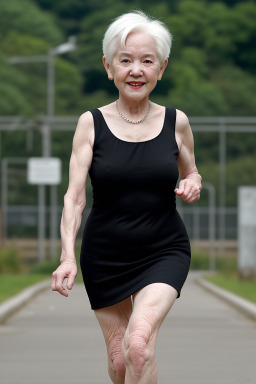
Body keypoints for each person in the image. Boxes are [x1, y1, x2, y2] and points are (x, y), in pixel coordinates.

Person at [51, 10, 202, 384]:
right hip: (105, 254)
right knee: (120, 361)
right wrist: (67, 256)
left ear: (161, 68)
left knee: (139, 344)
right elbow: (74, 198)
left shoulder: (176, 122)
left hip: (163, 249)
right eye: (125, 60)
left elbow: (191, 171)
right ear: (109, 66)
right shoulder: (91, 124)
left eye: (147, 61)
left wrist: (194, 182)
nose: (136, 70)